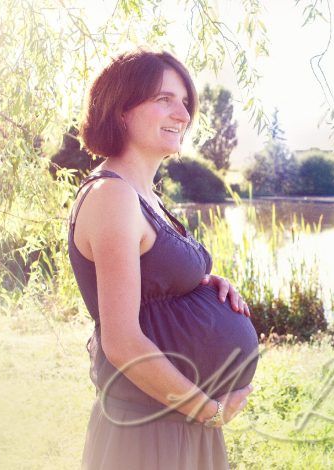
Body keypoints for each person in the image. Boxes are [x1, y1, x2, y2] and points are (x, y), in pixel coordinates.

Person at [67, 49, 259, 469]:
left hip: (180, 422)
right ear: (121, 109)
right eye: (164, 99)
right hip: (149, 432)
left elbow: (149, 277)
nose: (184, 114)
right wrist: (206, 410)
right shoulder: (112, 196)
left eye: (185, 103)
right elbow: (121, 342)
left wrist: (202, 283)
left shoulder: (145, 195)